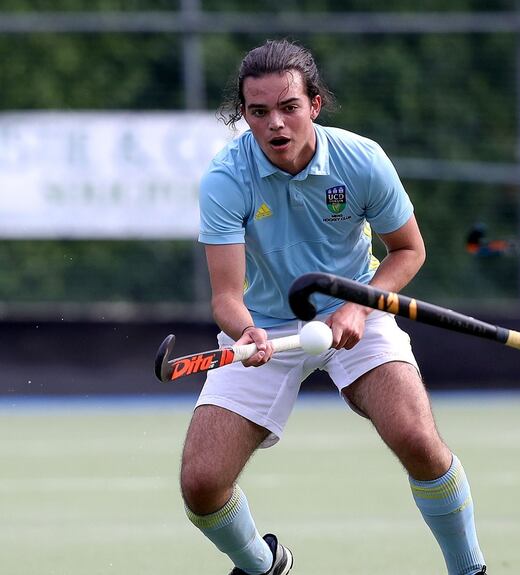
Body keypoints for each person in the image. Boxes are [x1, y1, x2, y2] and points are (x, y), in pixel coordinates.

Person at [180, 39, 487, 575]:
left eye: (289, 107)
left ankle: (469, 570)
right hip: (267, 328)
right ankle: (263, 565)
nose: (275, 124)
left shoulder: (361, 160)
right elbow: (226, 296)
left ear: (315, 104)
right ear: (244, 115)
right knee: (202, 485)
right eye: (259, 111)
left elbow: (408, 250)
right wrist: (246, 332)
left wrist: (358, 307)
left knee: (418, 440)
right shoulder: (226, 179)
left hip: (358, 306)